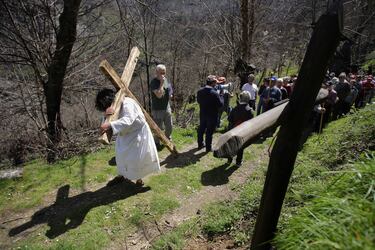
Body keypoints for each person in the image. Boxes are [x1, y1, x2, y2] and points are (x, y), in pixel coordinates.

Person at [96, 88, 160, 186]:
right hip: (124, 135)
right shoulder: (112, 106)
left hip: (137, 134)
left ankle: (139, 179)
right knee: (121, 157)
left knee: (135, 159)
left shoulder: (128, 103)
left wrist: (110, 125)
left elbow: (128, 119)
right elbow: (108, 119)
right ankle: (121, 175)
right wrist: (106, 116)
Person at [197, 75, 224, 152]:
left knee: (201, 129)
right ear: (212, 83)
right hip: (212, 115)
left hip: (202, 114)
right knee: (209, 132)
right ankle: (208, 148)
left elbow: (199, 101)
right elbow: (220, 105)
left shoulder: (200, 91)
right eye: (215, 83)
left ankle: (200, 144)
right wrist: (221, 95)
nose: (216, 84)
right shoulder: (215, 93)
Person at [227, 91, 254, 166]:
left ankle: (229, 160)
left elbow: (229, 119)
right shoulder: (250, 110)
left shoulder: (235, 108)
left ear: (241, 98)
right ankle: (238, 162)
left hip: (233, 130)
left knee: (231, 145)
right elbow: (251, 123)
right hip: (243, 131)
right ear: (248, 99)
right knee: (241, 146)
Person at [150, 64, 173, 150]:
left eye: (164, 72)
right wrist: (161, 83)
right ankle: (156, 143)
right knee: (157, 128)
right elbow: (159, 95)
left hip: (166, 107)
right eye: (161, 73)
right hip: (157, 109)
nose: (163, 75)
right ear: (156, 72)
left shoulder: (165, 80)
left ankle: (167, 139)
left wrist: (170, 94)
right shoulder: (154, 82)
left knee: (169, 126)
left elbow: (169, 92)